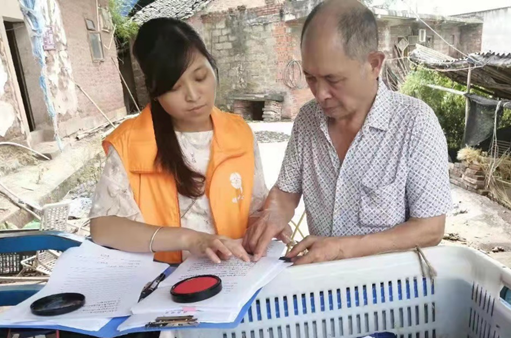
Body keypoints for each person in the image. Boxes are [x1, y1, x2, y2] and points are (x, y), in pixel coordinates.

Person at [244, 0, 451, 265]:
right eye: (311, 78)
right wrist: (270, 217)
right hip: (324, 281)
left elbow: (430, 228)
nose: (320, 94)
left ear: (374, 64)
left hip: (392, 289)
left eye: (333, 79)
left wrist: (343, 248)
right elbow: (286, 193)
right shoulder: (308, 119)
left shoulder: (414, 123)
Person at [90, 18, 268, 264]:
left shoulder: (239, 134)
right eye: (174, 87)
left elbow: (255, 207)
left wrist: (265, 225)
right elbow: (104, 228)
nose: (193, 95)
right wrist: (190, 239)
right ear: (155, 90)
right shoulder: (130, 143)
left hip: (235, 274)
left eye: (200, 77)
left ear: (212, 67)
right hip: (162, 284)